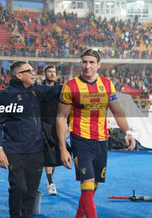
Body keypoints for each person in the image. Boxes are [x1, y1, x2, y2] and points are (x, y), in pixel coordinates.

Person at [57, 49, 136, 218]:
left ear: (98, 65)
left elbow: (117, 111)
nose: (87, 66)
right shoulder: (70, 86)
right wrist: (63, 148)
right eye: (84, 62)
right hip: (80, 139)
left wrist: (127, 131)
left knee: (92, 188)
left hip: (101, 140)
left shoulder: (107, 85)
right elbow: (61, 117)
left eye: (91, 62)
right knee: (87, 184)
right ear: (80, 63)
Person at [0, 61, 61, 218]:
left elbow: (56, 90)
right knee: (19, 188)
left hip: (37, 151)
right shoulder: (5, 95)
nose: (34, 73)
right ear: (19, 75)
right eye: (30, 71)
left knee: (31, 192)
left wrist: (77, 83)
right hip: (15, 152)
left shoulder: (36, 90)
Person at [39, 65, 62, 195]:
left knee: (54, 155)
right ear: (45, 73)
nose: (52, 74)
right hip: (42, 125)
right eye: (49, 72)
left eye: (54, 72)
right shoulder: (39, 89)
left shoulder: (61, 89)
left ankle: (50, 179)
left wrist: (68, 126)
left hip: (57, 125)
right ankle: (50, 181)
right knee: (48, 153)